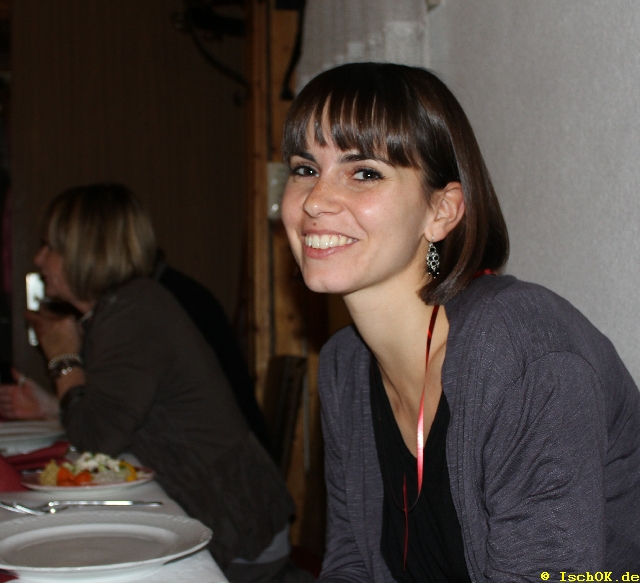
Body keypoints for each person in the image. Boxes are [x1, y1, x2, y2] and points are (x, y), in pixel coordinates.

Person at [280, 62, 640, 580]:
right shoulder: (345, 365)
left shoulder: (521, 353)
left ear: (442, 211)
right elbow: (352, 562)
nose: (315, 201)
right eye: (305, 169)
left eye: (364, 173)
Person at [1, 183, 305, 583]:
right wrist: (53, 400)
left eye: (50, 246)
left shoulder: (133, 315)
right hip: (224, 510)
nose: (39, 259)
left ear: (85, 250)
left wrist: (63, 359)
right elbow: (112, 415)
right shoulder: (126, 307)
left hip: (236, 525)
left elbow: (96, 439)